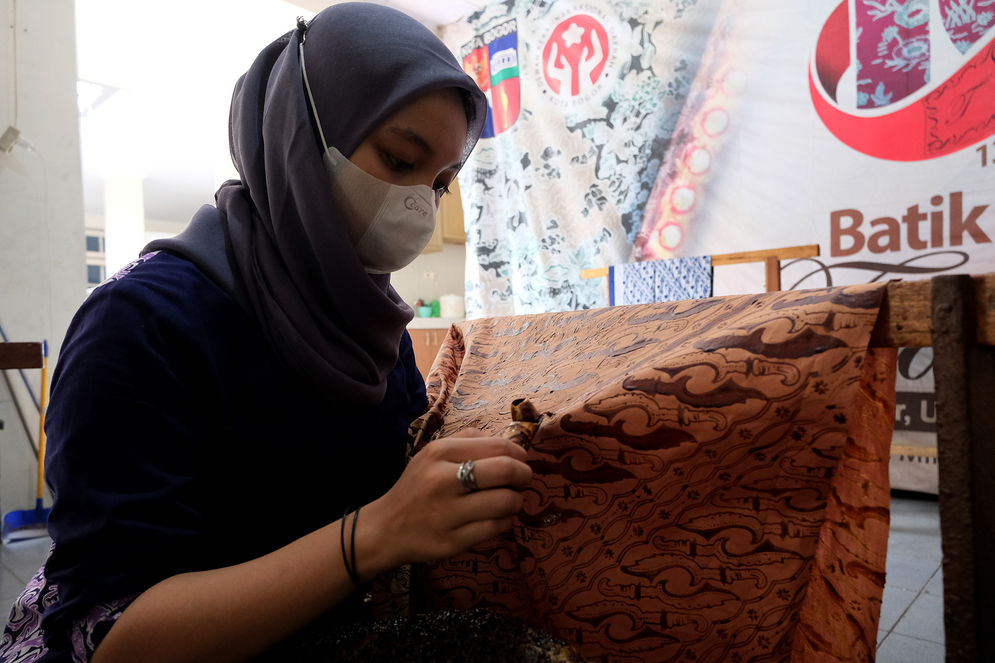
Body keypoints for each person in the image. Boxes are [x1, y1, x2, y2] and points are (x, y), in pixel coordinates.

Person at [0, 3, 532, 662]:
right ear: (298, 135)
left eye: (441, 182)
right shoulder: (142, 327)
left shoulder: (376, 335)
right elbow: (113, 635)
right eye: (399, 158)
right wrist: (371, 536)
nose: (419, 206)